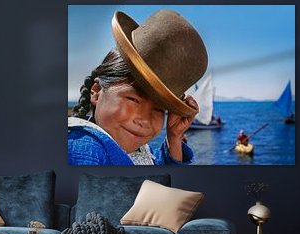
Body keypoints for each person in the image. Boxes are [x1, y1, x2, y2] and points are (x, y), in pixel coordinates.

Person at [68, 10, 208, 165]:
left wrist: (174, 137)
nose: (144, 120)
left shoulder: (129, 150)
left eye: (159, 109)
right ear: (97, 91)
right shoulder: (84, 152)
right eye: (133, 99)